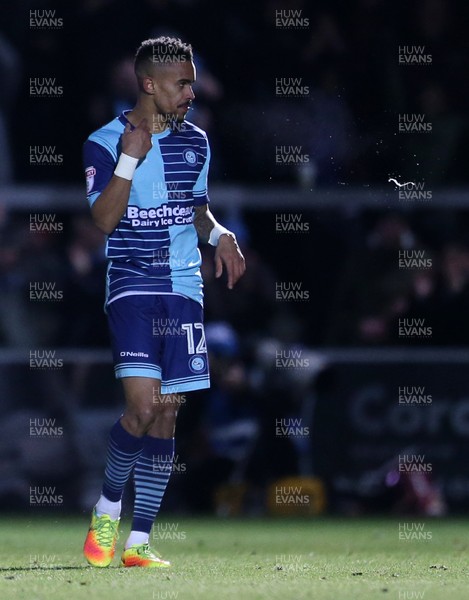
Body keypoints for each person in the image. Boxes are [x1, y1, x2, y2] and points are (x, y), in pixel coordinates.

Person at [82, 36, 245, 569]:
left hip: (184, 288)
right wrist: (129, 161)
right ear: (149, 84)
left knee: (169, 415)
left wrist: (220, 234)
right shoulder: (105, 142)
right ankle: (107, 508)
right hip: (132, 283)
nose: (191, 92)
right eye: (183, 83)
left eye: (194, 82)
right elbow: (103, 220)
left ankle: (138, 543)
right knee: (142, 407)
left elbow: (197, 209)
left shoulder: (197, 141)